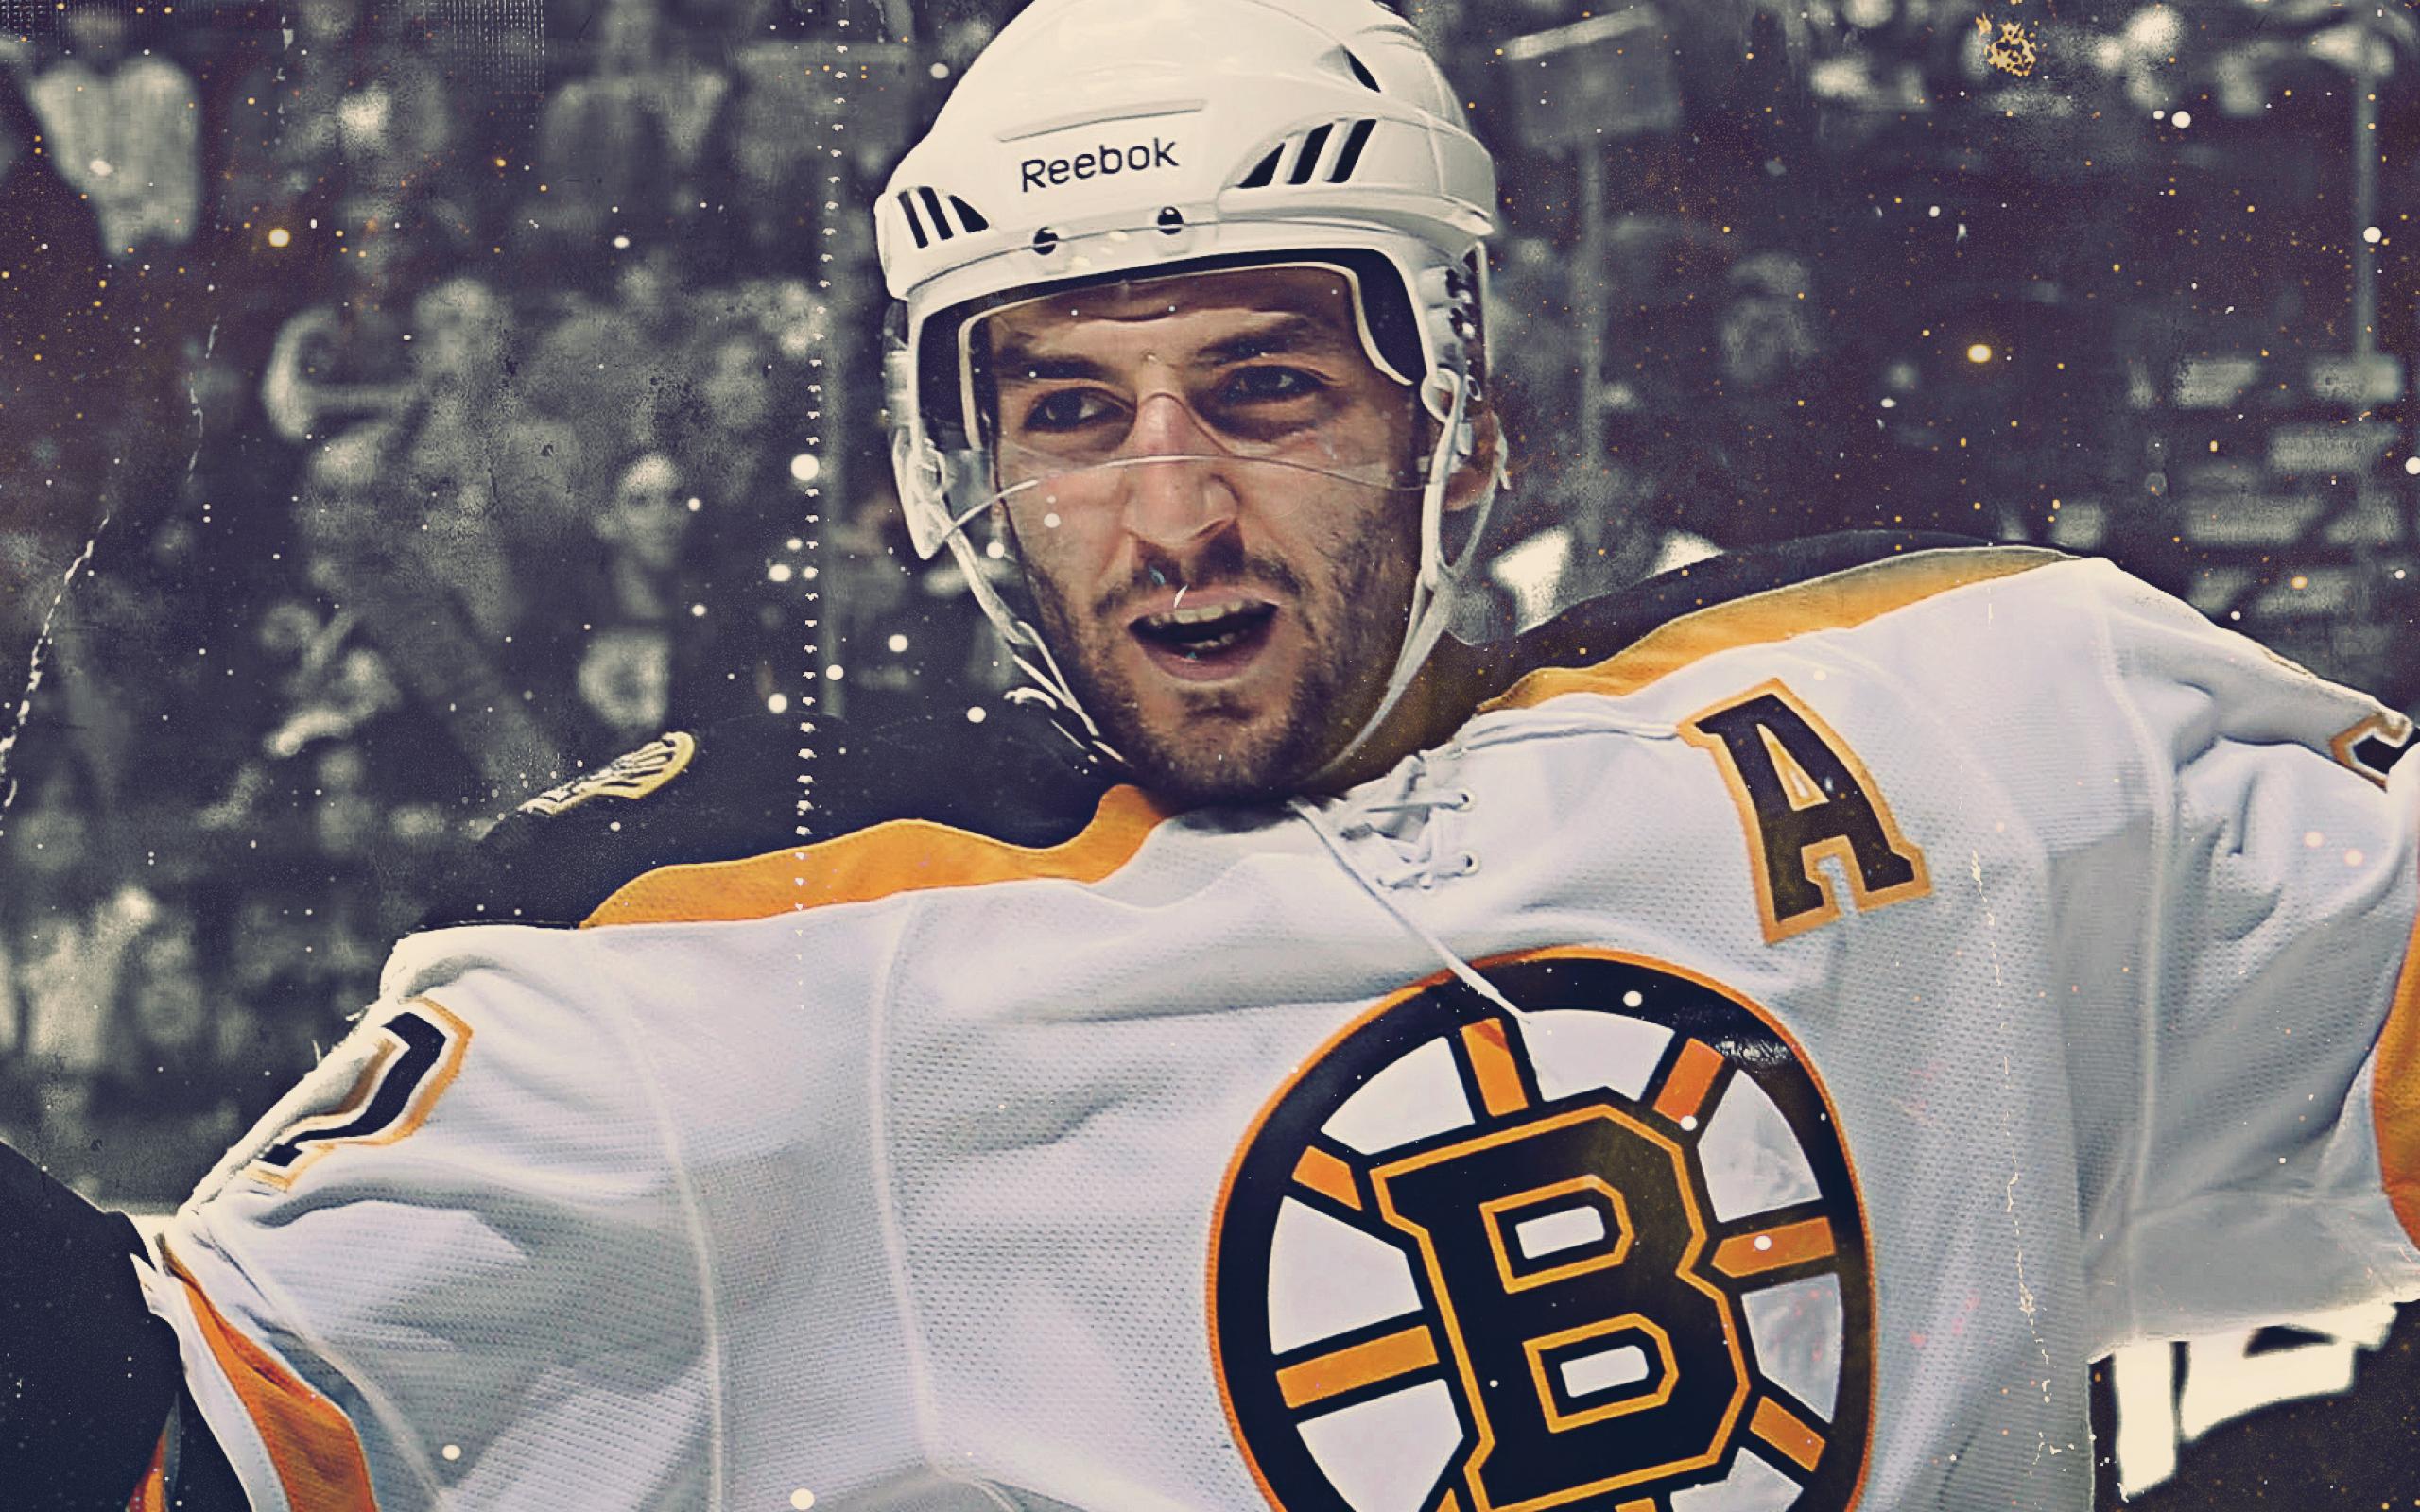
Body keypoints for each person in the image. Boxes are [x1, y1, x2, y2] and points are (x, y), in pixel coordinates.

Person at [4, 2, 2417, 1509]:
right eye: (1070, 414)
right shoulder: (750, 955)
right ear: (963, 475)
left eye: (1262, 385)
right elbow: (193, 1432)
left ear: (1453, 410)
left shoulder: (1946, 708)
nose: (1169, 516)